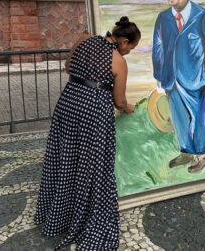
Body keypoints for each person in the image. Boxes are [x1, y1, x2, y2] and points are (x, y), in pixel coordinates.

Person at [34, 16, 140, 250]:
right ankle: (84, 217)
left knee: (64, 160)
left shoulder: (84, 39)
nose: (129, 53)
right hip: (93, 115)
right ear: (123, 42)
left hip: (68, 105)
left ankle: (58, 216)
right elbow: (119, 100)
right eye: (130, 48)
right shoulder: (119, 62)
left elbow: (68, 67)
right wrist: (128, 108)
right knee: (92, 168)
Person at [152, 0, 205, 174]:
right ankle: (186, 152)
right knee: (179, 117)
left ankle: (204, 154)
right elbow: (157, 47)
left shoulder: (201, 16)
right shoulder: (163, 18)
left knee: (198, 118)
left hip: (195, 79)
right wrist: (159, 74)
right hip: (171, 79)